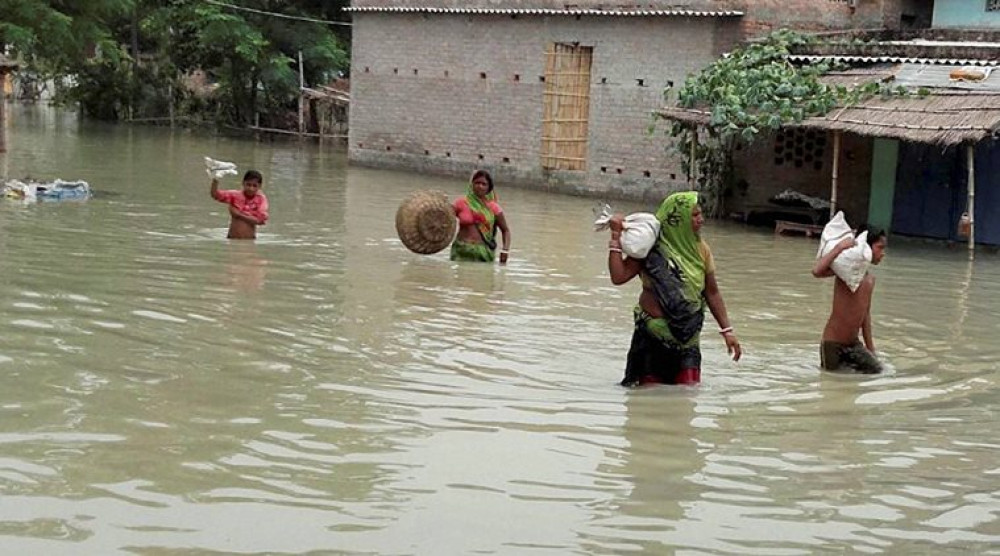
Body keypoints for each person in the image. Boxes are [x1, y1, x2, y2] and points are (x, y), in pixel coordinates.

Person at [607, 191, 741, 386]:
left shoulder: (701, 250)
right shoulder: (650, 248)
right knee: (648, 403)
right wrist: (615, 237)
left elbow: (711, 292)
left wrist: (727, 331)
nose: (701, 220)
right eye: (694, 215)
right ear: (676, 219)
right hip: (652, 339)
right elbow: (618, 277)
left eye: (700, 214)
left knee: (686, 398)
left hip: (688, 340)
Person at [812, 225, 888, 373]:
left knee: (878, 371)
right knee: (833, 384)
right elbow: (817, 271)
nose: (882, 253)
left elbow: (865, 315)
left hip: (853, 344)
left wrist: (871, 348)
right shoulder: (846, 273)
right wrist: (839, 248)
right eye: (880, 247)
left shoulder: (870, 280)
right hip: (832, 344)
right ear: (866, 247)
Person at [450, 170, 511, 264]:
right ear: (472, 185)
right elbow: (445, 219)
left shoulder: (494, 208)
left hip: (483, 253)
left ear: (489, 188)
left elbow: (505, 230)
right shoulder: (461, 203)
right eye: (477, 183)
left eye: (484, 184)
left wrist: (505, 250)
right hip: (461, 251)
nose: (480, 186)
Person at [210, 170, 269, 240]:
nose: (251, 188)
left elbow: (261, 221)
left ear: (259, 186)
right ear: (243, 183)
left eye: (254, 186)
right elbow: (215, 195)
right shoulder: (235, 195)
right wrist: (216, 180)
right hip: (232, 239)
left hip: (249, 241)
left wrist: (239, 215)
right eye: (248, 185)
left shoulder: (261, 199)